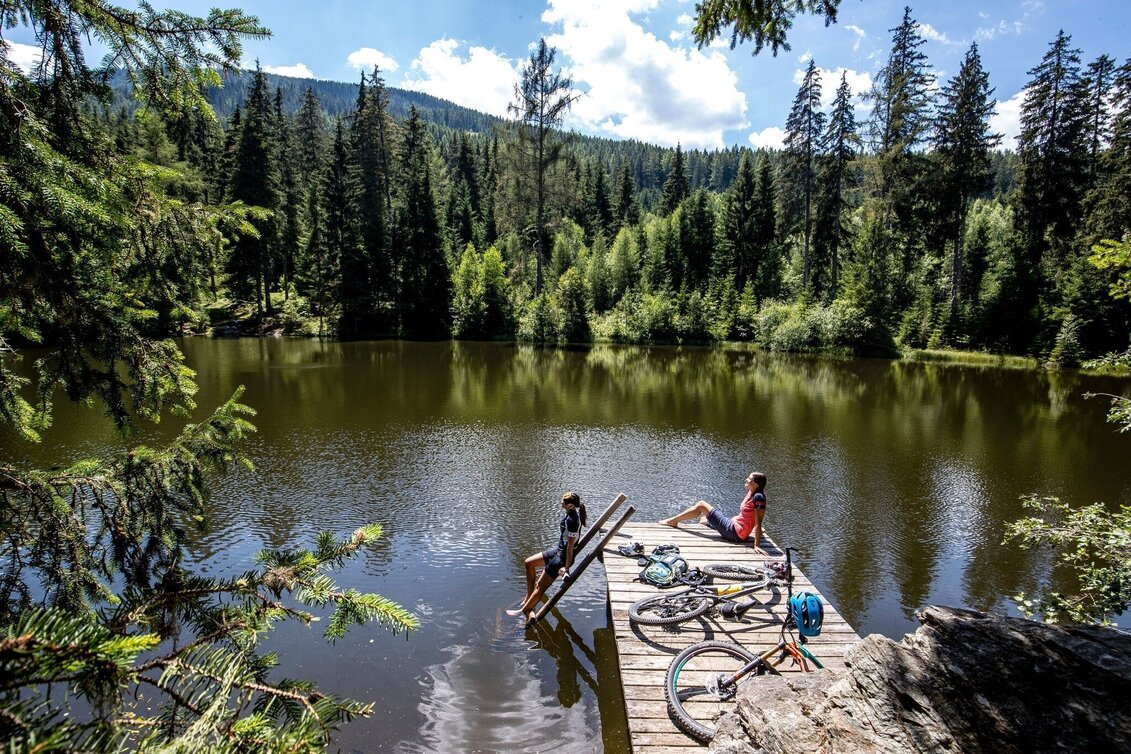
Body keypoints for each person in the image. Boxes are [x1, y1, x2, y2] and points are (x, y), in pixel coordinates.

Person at [507, 492, 587, 618]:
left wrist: (566, 567)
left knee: (540, 586)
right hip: (558, 551)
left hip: (561, 558)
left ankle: (522, 611)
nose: (561, 502)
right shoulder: (572, 514)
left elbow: (571, 546)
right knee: (528, 563)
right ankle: (529, 596)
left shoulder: (572, 520)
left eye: (563, 501)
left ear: (570, 505)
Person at [660, 472, 768, 553]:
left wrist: (757, 545)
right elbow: (752, 515)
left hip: (733, 533)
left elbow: (758, 520)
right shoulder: (752, 492)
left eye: (750, 479)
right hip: (733, 526)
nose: (746, 479)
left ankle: (672, 521)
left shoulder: (759, 497)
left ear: (756, 485)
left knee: (702, 505)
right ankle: (706, 522)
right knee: (704, 519)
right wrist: (753, 527)